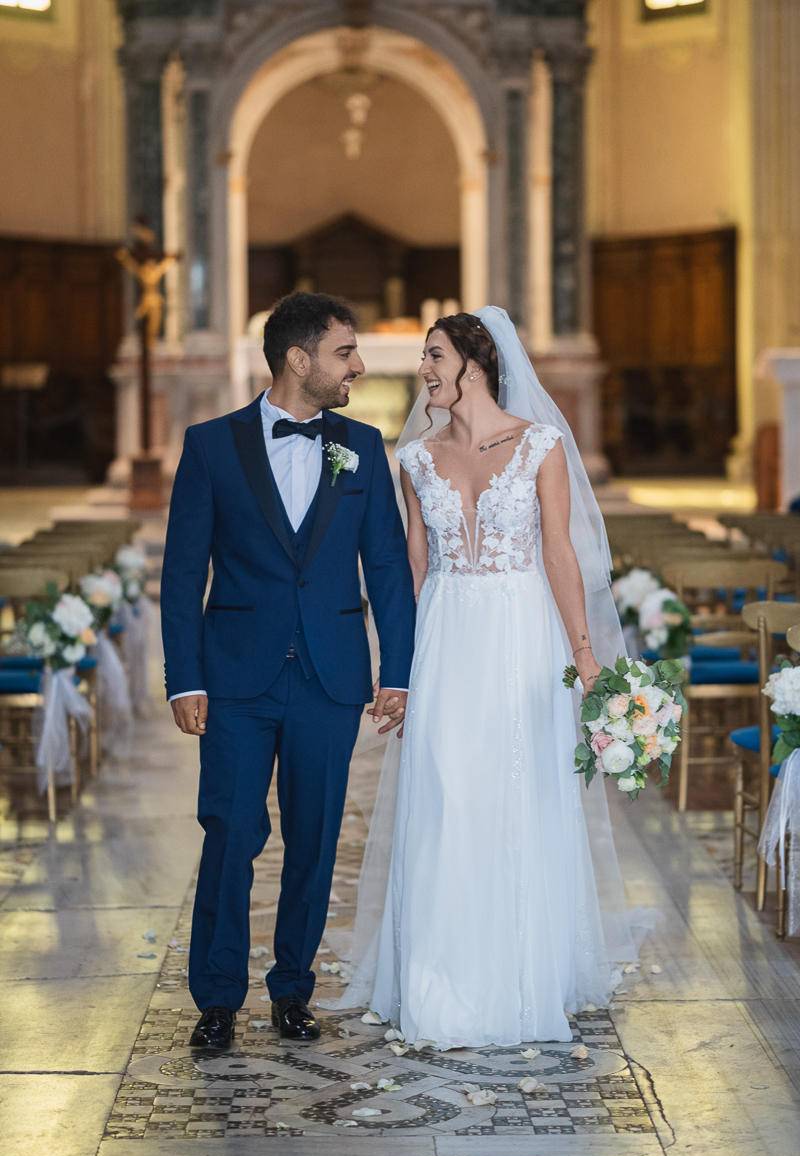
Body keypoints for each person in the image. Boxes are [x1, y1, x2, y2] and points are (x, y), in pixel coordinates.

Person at [322, 307, 642, 1049]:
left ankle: (518, 975)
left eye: (434, 356)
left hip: (520, 637)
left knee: (516, 795)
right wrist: (396, 669)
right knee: (444, 794)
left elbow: (560, 554)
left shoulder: (540, 446)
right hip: (444, 639)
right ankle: (439, 977)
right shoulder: (416, 459)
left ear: (476, 363)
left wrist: (585, 656)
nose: (422, 370)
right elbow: (412, 567)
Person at [160, 292, 416, 1050]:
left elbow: (388, 567)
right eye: (345, 352)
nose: (359, 365)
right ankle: (216, 999)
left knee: (316, 837)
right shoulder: (211, 446)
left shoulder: (363, 446)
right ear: (298, 359)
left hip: (331, 679)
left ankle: (293, 990)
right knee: (229, 832)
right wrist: (184, 677)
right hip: (235, 678)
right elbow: (182, 573)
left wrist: (397, 669)